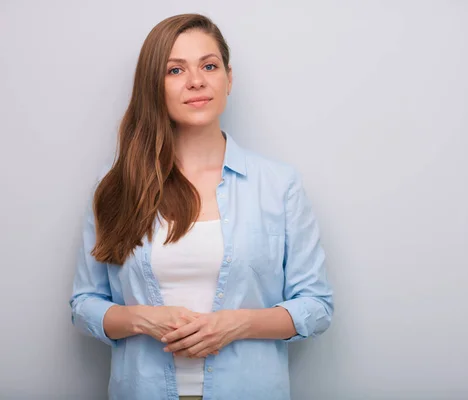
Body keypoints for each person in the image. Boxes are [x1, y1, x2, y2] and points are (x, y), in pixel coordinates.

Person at [69, 13, 333, 400]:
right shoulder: (117, 186)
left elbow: (317, 305)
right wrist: (143, 318)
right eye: (175, 70)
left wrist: (236, 324)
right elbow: (84, 304)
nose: (196, 81)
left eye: (209, 66)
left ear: (229, 77)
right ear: (153, 86)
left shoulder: (279, 186)